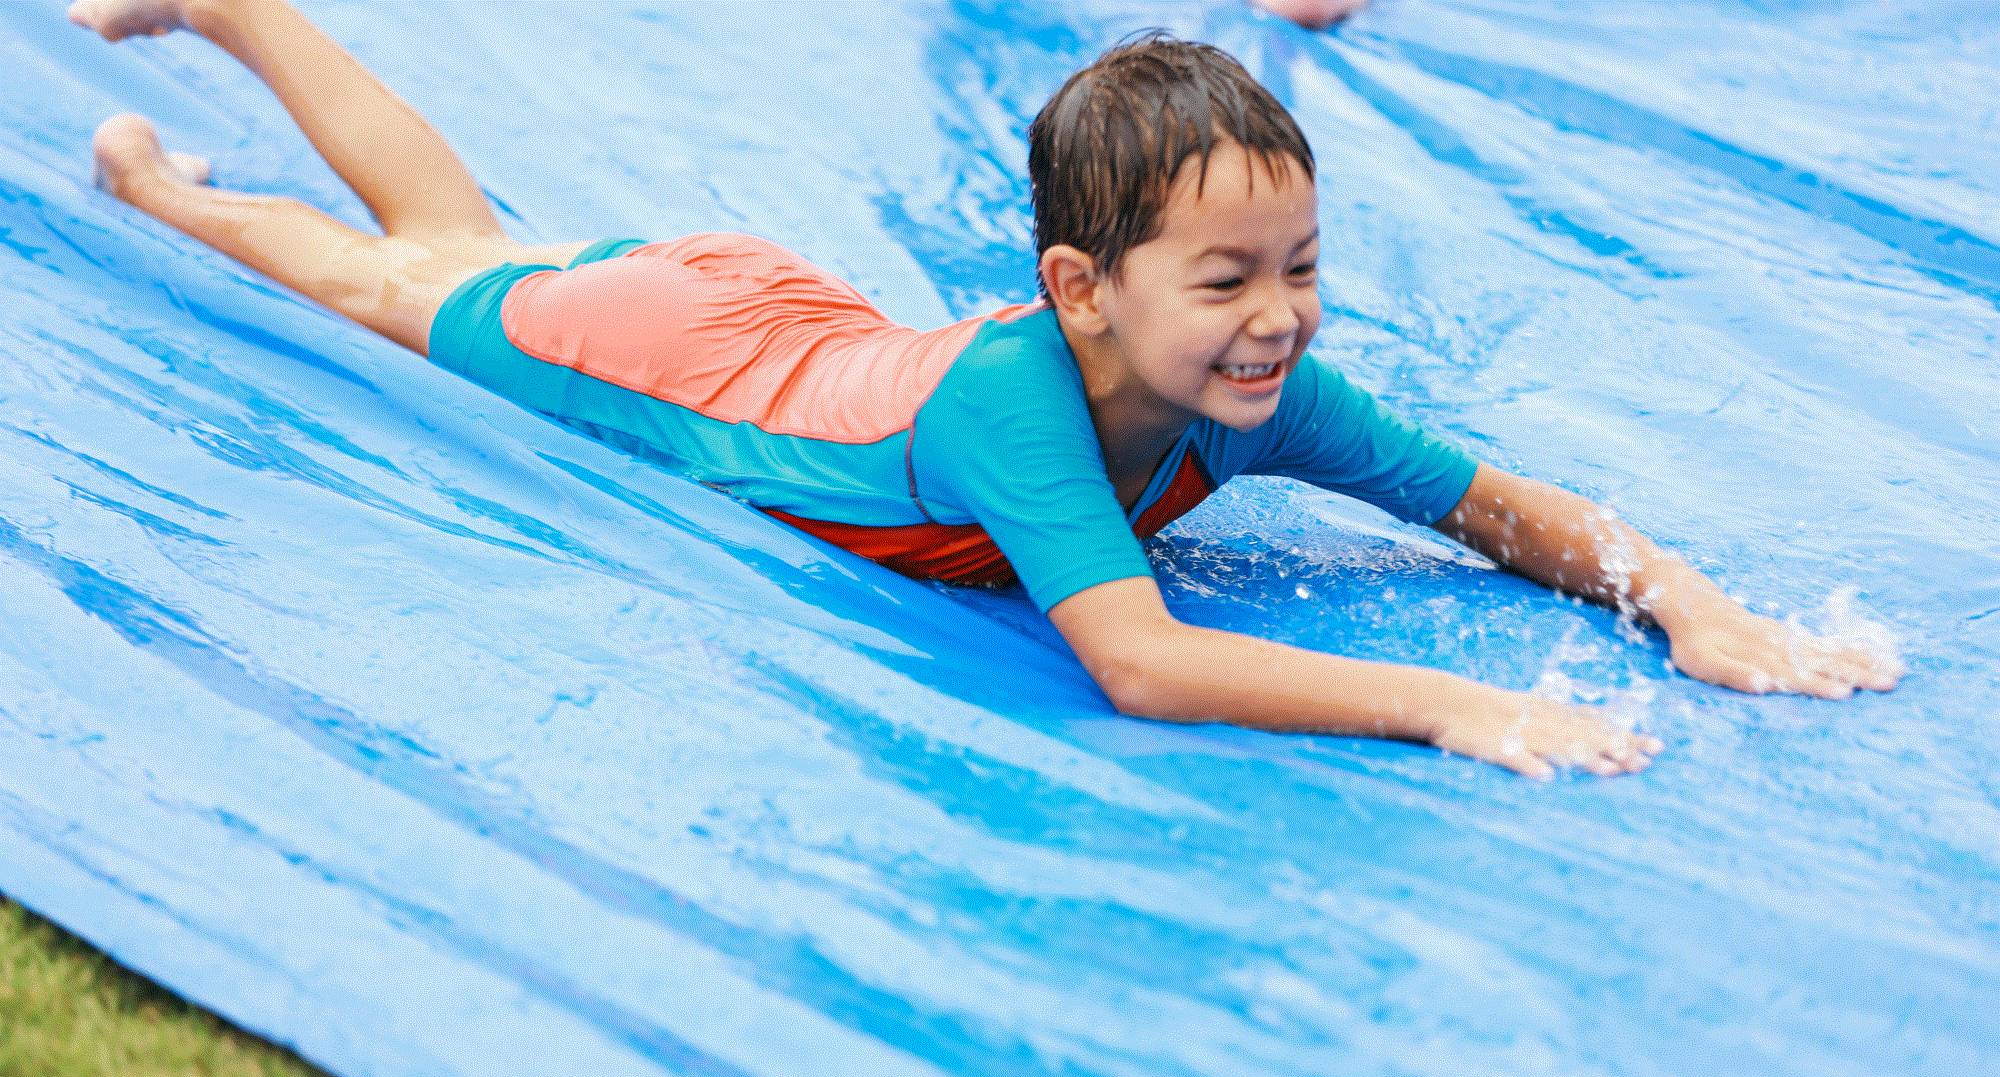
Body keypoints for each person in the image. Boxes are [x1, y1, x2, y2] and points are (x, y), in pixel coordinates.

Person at [70, 0, 1900, 779]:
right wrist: (1454, 707)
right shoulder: (1018, 409)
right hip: (670, 361)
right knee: (412, 273)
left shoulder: (1250, 382)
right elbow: (1139, 658)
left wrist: (1699, 608)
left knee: (465, 228)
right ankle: (170, 184)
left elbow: (1493, 506)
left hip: (784, 314)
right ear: (1081, 292)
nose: (1280, 318)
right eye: (1230, 280)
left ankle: (239, 7)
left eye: (1303, 267)